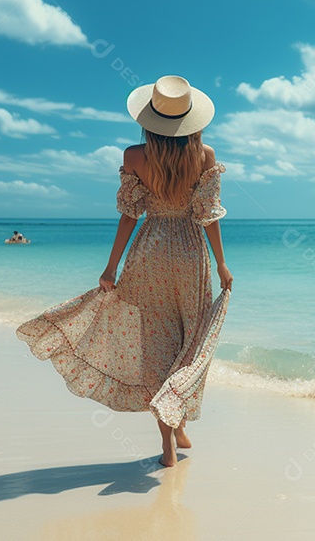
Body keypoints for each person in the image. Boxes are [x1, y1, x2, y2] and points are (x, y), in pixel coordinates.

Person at [16, 75, 234, 468]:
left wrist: (111, 265)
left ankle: (169, 439)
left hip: (149, 252)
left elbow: (129, 215)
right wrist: (220, 262)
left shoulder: (134, 156)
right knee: (189, 343)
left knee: (156, 346)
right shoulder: (204, 155)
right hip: (189, 253)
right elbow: (207, 216)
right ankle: (178, 418)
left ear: (150, 117)